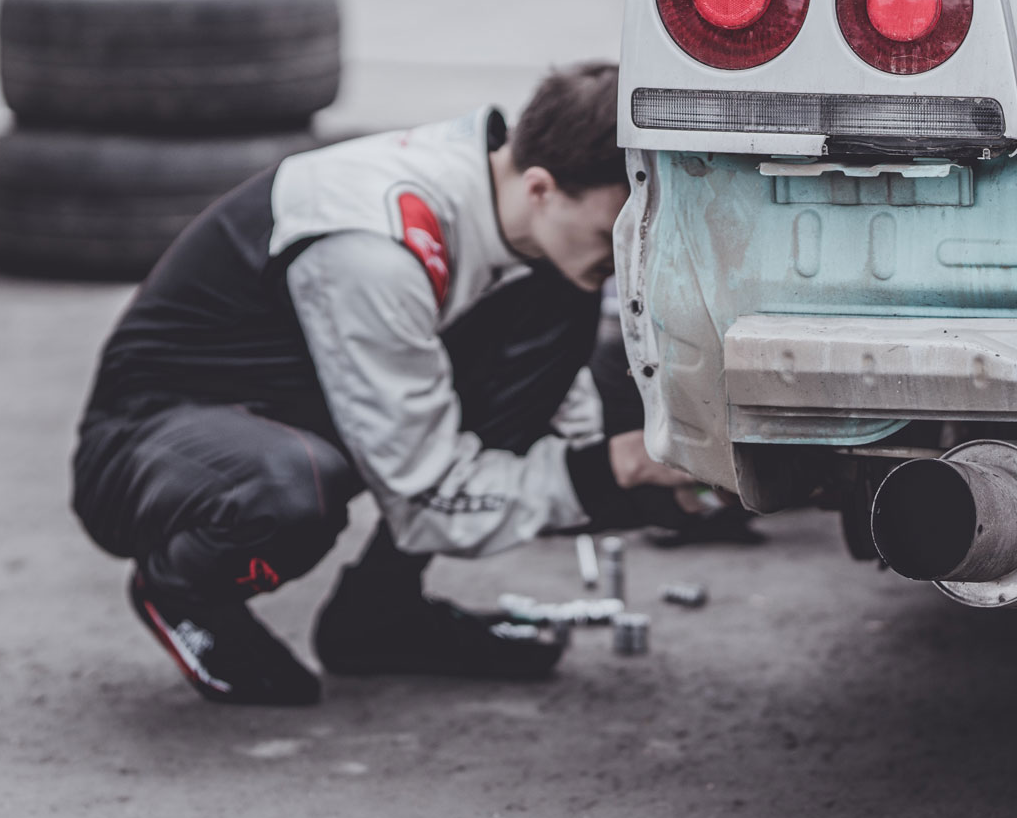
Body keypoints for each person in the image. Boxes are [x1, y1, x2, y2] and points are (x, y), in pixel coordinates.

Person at [71, 61, 694, 706]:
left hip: (298, 393)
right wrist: (609, 473)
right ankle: (182, 586)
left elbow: (550, 417)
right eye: (610, 236)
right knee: (293, 489)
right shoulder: (378, 248)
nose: (628, 264)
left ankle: (378, 616)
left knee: (558, 299)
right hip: (153, 445)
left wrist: (649, 478)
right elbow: (429, 497)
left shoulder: (497, 188)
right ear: (541, 187)